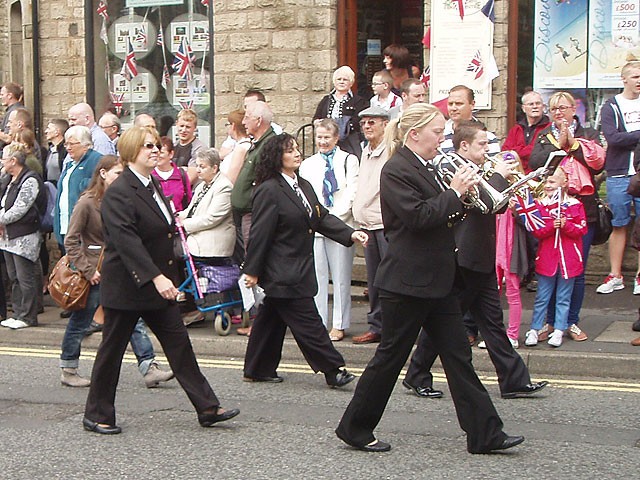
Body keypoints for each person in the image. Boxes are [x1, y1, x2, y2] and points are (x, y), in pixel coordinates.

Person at [335, 103, 524, 454]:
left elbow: (445, 214)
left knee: (458, 358)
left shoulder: (428, 166)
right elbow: (419, 218)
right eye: (437, 132)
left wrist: (466, 197)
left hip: (438, 280)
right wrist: (453, 193)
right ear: (414, 134)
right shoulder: (396, 170)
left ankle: (485, 434)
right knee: (389, 359)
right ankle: (354, 427)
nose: (443, 139)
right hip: (407, 282)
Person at [83, 126, 239, 435]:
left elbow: (165, 231)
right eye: (147, 147)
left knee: (179, 346)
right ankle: (96, 414)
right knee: (111, 352)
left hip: (159, 286)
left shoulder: (152, 183)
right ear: (130, 154)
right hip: (129, 287)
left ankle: (207, 407)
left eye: (156, 145)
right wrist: (156, 278)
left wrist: (166, 276)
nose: (155, 150)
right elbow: (127, 241)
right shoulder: (119, 191)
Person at [403, 120, 548, 400]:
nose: (487, 150)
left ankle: (513, 380)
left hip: (481, 256)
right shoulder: (454, 169)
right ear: (465, 145)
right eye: (482, 145)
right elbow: (478, 200)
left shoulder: (480, 169)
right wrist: (499, 177)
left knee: (493, 323)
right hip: (463, 257)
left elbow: (495, 205)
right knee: (443, 323)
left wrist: (506, 184)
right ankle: (416, 373)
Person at [241, 133, 367, 387]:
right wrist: (252, 270)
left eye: (297, 149)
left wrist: (350, 233)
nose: (297, 153)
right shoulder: (269, 190)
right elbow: (260, 234)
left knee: (270, 321)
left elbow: (320, 217)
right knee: (308, 322)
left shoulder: (303, 185)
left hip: (298, 265)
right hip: (282, 269)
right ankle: (333, 369)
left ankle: (257, 368)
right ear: (277, 157)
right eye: (290, 150)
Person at [61, 155, 175, 388]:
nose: (121, 178)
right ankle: (69, 367)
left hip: (120, 270)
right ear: (103, 174)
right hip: (94, 273)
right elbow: (71, 240)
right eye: (116, 174)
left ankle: (148, 366)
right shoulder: (87, 203)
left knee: (134, 319)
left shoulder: (123, 199)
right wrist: (88, 269)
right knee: (81, 321)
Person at [529, 91, 604, 342]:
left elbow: (598, 164)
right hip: (550, 211)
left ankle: (571, 321)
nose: (558, 113)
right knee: (549, 271)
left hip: (581, 209)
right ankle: (549, 322)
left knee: (576, 271)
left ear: (574, 109)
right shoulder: (544, 136)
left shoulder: (589, 134)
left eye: (563, 108)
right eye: (553, 109)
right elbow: (537, 161)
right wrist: (558, 143)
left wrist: (572, 142)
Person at [299, 118, 359, 341]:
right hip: (315, 227)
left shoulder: (349, 160)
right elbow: (306, 194)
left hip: (341, 226)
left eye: (327, 137)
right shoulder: (308, 164)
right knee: (318, 276)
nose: (322, 141)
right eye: (319, 137)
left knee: (341, 277)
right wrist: (318, 220)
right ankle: (319, 321)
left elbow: (352, 191)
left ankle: (339, 324)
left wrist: (333, 220)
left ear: (336, 138)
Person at [525, 167, 587, 348]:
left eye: (552, 182)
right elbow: (537, 231)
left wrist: (566, 225)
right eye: (546, 182)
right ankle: (535, 329)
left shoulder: (575, 204)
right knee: (542, 297)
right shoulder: (540, 205)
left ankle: (559, 329)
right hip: (547, 259)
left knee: (563, 297)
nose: (547, 185)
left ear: (564, 183)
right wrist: (553, 225)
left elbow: (581, 229)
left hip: (569, 260)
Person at [596, 61, 640, 295]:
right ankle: (615, 274)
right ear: (624, 79)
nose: (638, 80)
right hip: (619, 172)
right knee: (619, 223)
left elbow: (622, 138)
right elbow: (613, 139)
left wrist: (628, 137)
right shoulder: (611, 106)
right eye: (634, 76)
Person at [351, 107, 390, 345]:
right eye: (364, 122)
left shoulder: (391, 151)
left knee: (389, 279)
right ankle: (377, 326)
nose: (367, 126)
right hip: (367, 225)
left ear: (385, 124)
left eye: (372, 122)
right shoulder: (366, 151)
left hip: (384, 225)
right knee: (374, 281)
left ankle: (392, 328)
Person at [0, 149, 43, 330]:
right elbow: (4, 203)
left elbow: (20, 208)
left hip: (24, 236)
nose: (1, 161)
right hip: (8, 236)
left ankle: (28, 316)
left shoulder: (30, 180)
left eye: (4, 157)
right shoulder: (9, 179)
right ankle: (18, 313)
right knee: (14, 277)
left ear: (14, 160)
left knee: (26, 277)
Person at [177, 148, 235, 267]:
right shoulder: (202, 185)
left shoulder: (224, 187)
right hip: (198, 242)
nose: (197, 170)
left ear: (214, 168)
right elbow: (191, 210)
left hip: (212, 248)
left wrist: (184, 224)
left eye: (202, 167)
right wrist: (176, 216)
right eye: (197, 166)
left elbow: (212, 218)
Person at [53, 126, 102, 250]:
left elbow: (101, 187)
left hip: (83, 229)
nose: (68, 148)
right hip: (66, 226)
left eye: (72, 144)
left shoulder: (97, 160)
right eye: (66, 144)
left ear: (86, 145)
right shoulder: (71, 164)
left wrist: (84, 184)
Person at [313, 65, 369, 157]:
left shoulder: (358, 101)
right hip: (327, 140)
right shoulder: (326, 99)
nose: (341, 82)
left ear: (351, 83)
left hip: (349, 141)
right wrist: (318, 123)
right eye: (339, 79)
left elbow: (357, 121)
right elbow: (316, 118)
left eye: (345, 79)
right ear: (334, 82)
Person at [439, 85, 500, 155]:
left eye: (459, 104)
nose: (453, 108)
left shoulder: (488, 137)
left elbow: (492, 165)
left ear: (472, 105)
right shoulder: (439, 135)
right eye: (450, 104)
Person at [502, 91, 550, 173]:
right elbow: (505, 152)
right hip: (516, 175)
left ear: (543, 106)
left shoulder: (549, 128)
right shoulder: (516, 129)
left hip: (538, 176)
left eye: (538, 103)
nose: (535, 107)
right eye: (531, 104)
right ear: (523, 108)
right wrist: (523, 151)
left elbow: (538, 153)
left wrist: (515, 151)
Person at [151, 136, 192, 212]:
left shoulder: (181, 175)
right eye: (156, 152)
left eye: (161, 152)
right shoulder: (149, 176)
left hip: (179, 220)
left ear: (171, 154)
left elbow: (189, 201)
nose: (158, 155)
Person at [173, 108, 204, 184]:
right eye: (181, 126)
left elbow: (189, 179)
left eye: (188, 127)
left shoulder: (199, 148)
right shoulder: (173, 146)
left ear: (195, 128)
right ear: (176, 124)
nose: (184, 130)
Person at [220, 109, 251, 183]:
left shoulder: (241, 148)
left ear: (233, 126)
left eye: (227, 124)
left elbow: (230, 180)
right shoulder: (239, 145)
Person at [44, 118, 69, 185]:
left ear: (57, 132)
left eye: (49, 128)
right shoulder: (50, 149)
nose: (46, 131)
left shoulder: (66, 150)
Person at [0, 82, 24, 150]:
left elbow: (9, 138)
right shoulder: (10, 111)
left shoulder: (16, 112)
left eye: (2, 94)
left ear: (10, 95)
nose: (0, 97)